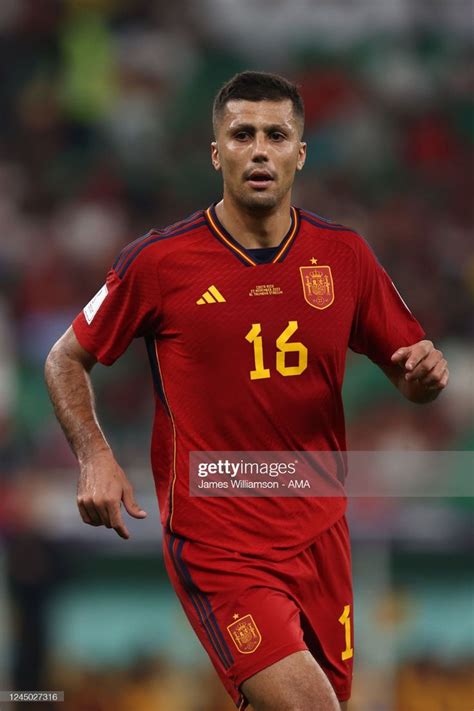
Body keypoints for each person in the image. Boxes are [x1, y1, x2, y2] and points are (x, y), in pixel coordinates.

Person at [44, 71, 449, 711]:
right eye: (242, 134)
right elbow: (65, 358)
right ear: (217, 152)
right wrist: (95, 453)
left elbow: (410, 374)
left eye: (276, 135)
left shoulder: (344, 256)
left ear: (300, 152)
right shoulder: (158, 263)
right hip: (220, 542)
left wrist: (421, 377)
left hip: (321, 532)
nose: (259, 149)